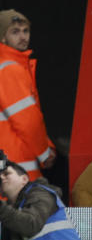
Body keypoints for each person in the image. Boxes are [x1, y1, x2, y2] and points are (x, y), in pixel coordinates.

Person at [0, 10, 55, 180]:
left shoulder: (11, 67)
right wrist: (45, 152)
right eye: (15, 32)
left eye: (26, 31)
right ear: (3, 37)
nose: (23, 37)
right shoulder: (10, 69)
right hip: (17, 165)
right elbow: (27, 120)